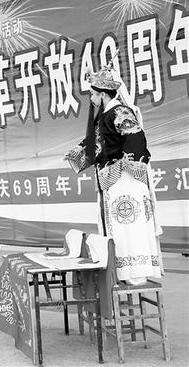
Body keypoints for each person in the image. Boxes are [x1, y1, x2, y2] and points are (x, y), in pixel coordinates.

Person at [65, 64, 162, 285]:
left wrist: (126, 162)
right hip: (113, 180)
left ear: (103, 94)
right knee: (118, 227)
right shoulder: (105, 116)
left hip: (126, 179)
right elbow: (98, 142)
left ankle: (136, 272)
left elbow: (136, 140)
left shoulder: (120, 112)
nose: (91, 98)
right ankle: (123, 271)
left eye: (93, 94)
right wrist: (78, 152)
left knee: (130, 224)